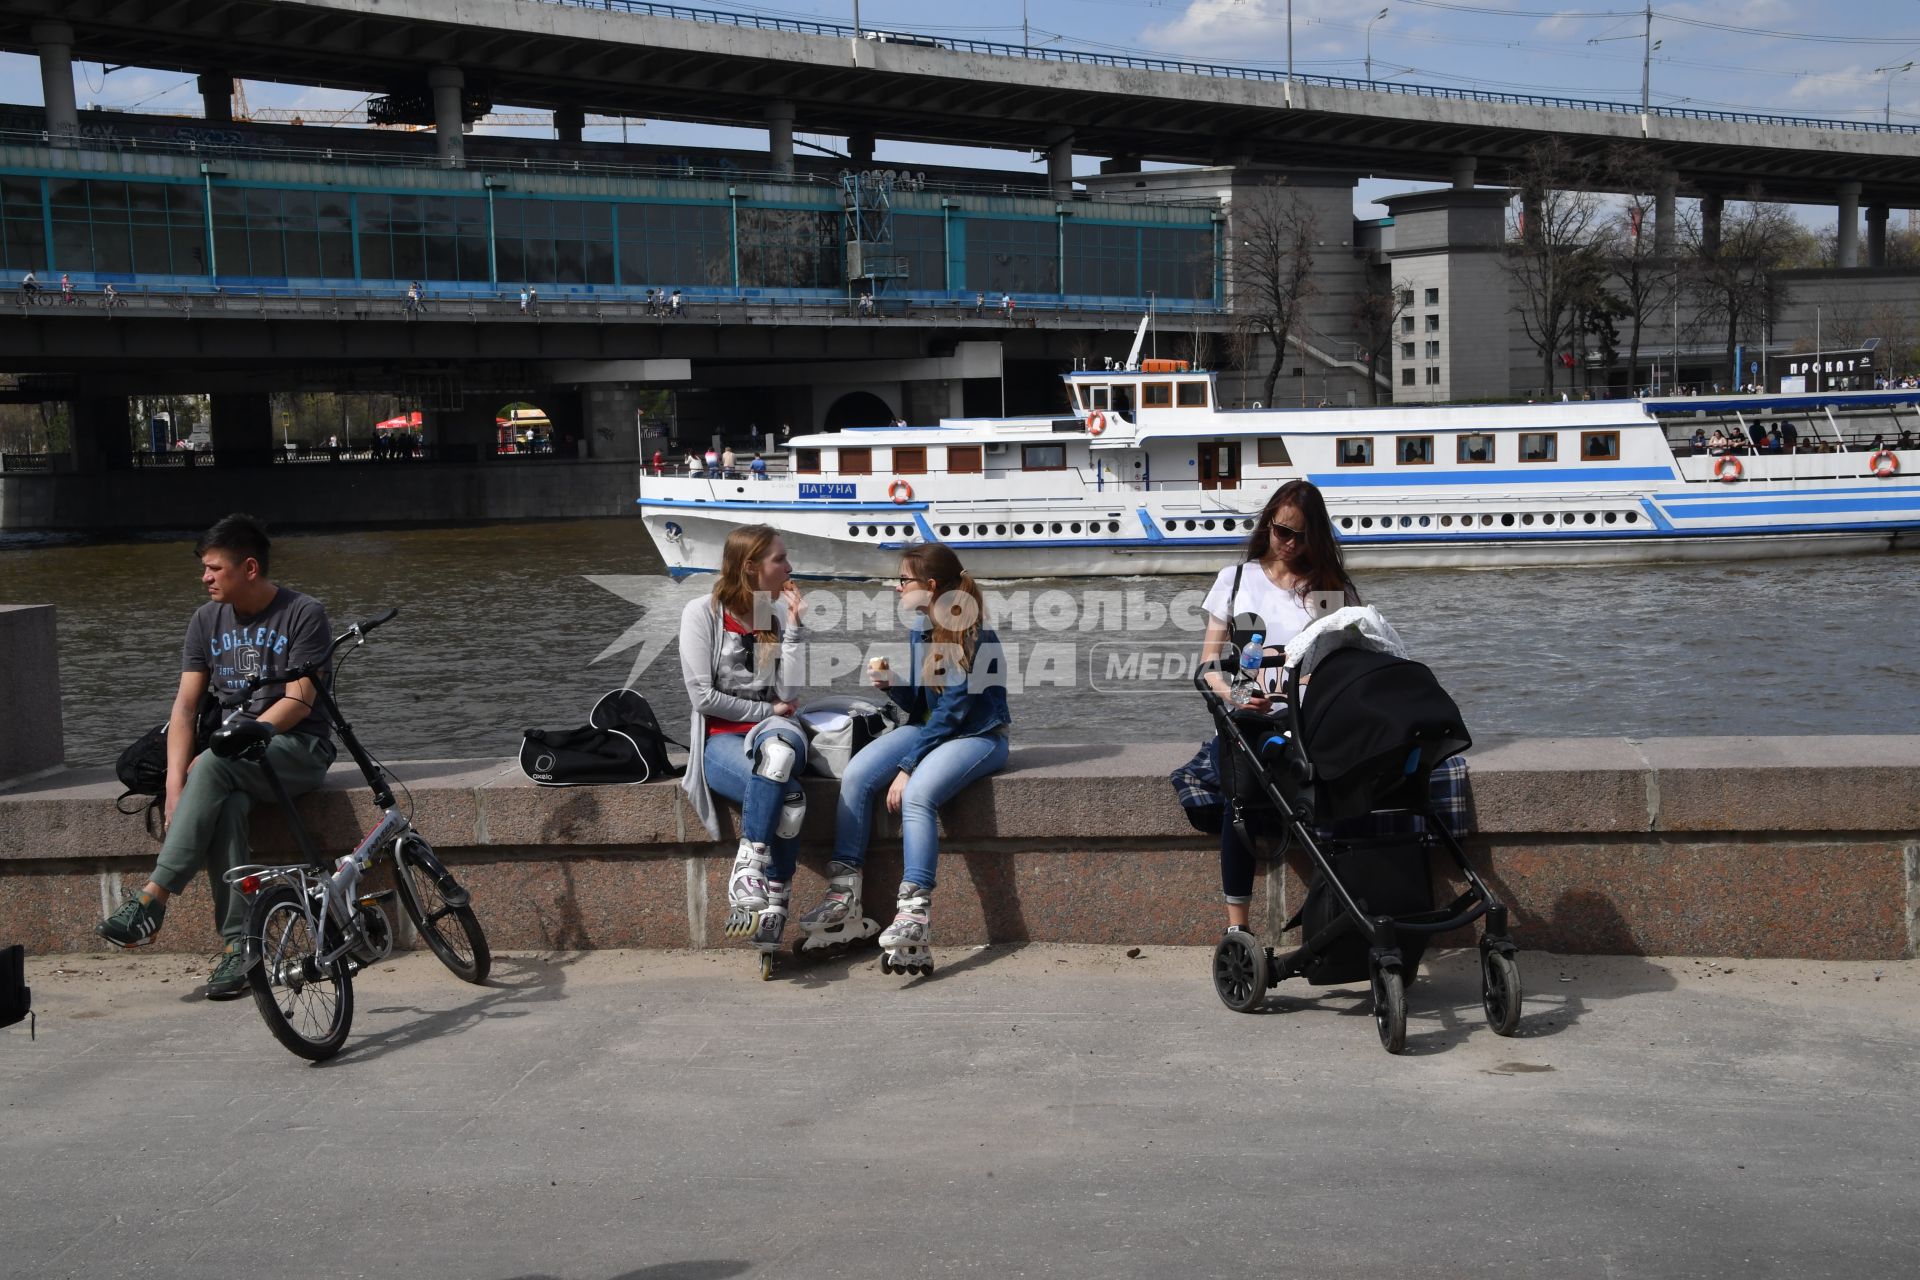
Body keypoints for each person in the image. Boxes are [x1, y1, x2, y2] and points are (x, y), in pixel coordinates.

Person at [93, 514, 338, 999]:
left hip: (298, 748)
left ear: (249, 567)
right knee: (223, 806)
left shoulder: (303, 614)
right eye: (203, 569)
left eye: (213, 568)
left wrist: (244, 737)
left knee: (214, 764)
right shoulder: (205, 620)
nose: (204, 578)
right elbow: (184, 710)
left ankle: (153, 898)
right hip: (232, 760)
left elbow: (300, 700)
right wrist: (174, 788)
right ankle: (239, 951)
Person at [797, 543, 1011, 974]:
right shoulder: (921, 629)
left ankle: (914, 914)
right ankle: (845, 896)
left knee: (917, 797)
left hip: (978, 735)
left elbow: (955, 712)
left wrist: (907, 767)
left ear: (930, 586)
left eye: (904, 580)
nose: (897, 587)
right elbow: (921, 704)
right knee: (856, 775)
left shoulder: (973, 633)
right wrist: (892, 684)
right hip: (931, 729)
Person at [1198, 480, 1357, 940]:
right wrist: (1237, 695)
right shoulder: (1236, 579)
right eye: (1281, 531)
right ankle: (1237, 928)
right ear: (1267, 524)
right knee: (1240, 795)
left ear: (1317, 538)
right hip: (1248, 714)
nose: (1287, 544)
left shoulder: (1327, 589)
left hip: (1307, 718)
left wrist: (1301, 684)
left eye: (1300, 536)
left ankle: (1339, 913)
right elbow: (1209, 665)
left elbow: (1336, 663)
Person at [678, 524, 812, 956]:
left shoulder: (768, 616)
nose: (789, 567)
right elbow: (702, 698)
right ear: (751, 566)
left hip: (769, 729)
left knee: (777, 750)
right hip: (721, 739)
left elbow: (787, 696)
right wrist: (765, 712)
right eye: (780, 559)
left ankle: (747, 867)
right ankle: (775, 896)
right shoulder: (701, 613)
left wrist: (792, 627)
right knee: (789, 796)